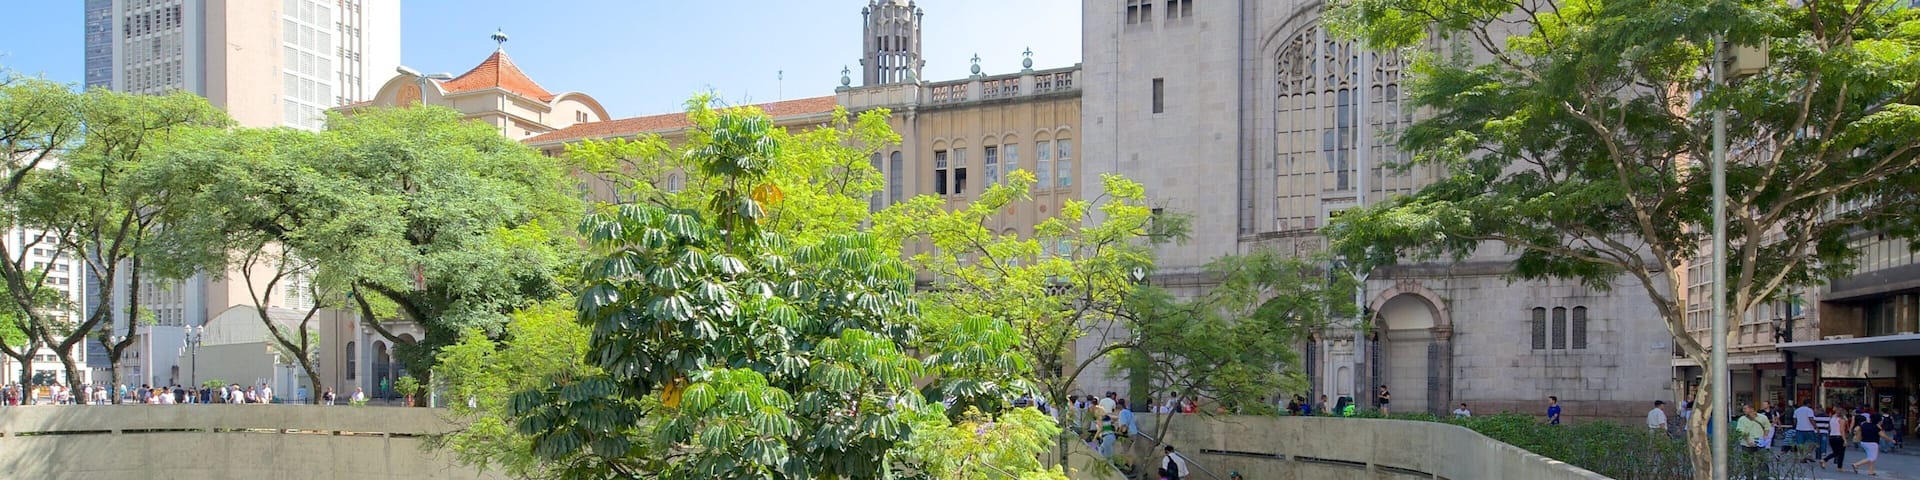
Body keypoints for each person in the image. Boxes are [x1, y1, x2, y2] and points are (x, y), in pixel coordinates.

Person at [1853, 407, 1883, 476]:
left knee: (1870, 456)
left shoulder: (1865, 424)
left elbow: (1857, 429)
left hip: (1864, 442)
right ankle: (1857, 464)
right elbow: (1882, 434)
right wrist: (1890, 440)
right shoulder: (1876, 427)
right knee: (1872, 457)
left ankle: (1871, 471)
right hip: (1872, 443)